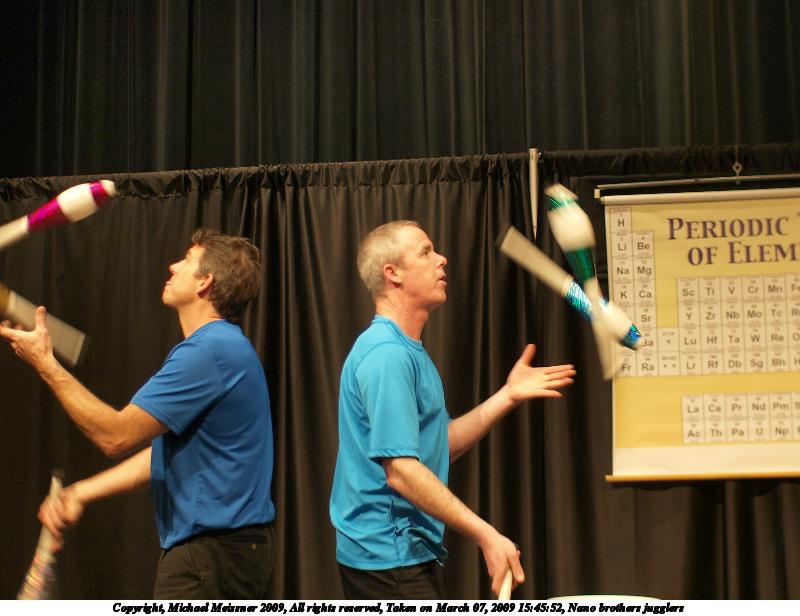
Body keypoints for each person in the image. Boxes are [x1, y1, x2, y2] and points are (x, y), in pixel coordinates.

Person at [0, 229, 275, 599]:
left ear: (205, 282)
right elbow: (163, 455)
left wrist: (46, 364)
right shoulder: (220, 348)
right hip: (224, 553)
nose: (173, 266)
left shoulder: (208, 352)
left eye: (187, 261)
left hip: (213, 556)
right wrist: (80, 493)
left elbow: (115, 436)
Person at [329, 220, 576, 599]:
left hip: (402, 554)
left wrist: (507, 396)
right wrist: (486, 534)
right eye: (426, 252)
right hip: (389, 559)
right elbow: (402, 472)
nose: (442, 259)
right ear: (392, 273)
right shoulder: (387, 355)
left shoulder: (407, 351)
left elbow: (437, 444)